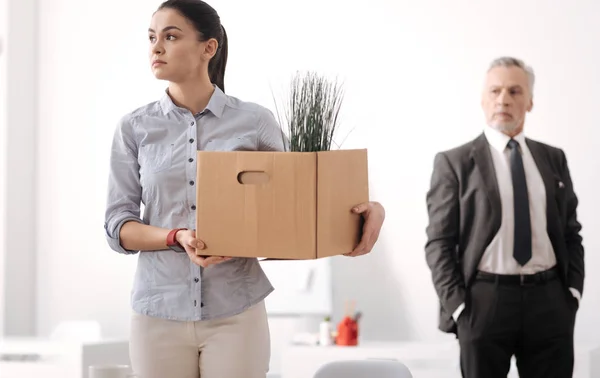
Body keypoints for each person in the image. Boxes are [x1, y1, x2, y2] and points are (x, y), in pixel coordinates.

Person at [103, 1, 386, 378]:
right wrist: (176, 236)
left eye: (171, 36)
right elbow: (117, 226)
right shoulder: (134, 128)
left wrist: (369, 211)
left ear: (209, 47)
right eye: (153, 37)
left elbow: (298, 206)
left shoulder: (254, 122)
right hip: (157, 313)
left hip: (236, 311)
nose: (156, 47)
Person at [424, 56, 584, 378]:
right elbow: (439, 243)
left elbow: (571, 232)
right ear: (483, 99)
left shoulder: (553, 158)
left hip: (549, 300)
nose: (503, 100)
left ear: (530, 101)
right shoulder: (454, 163)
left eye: (514, 91)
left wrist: (572, 293)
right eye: (495, 91)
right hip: (484, 301)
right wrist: (459, 306)